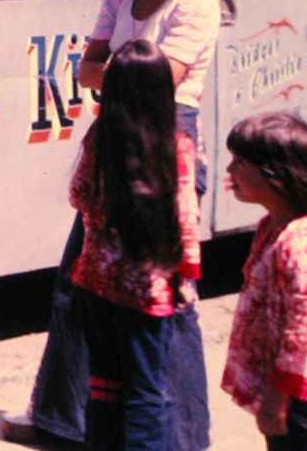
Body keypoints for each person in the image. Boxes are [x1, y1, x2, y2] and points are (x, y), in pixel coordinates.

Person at [6, 0, 220, 447]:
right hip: (114, 139)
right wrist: (123, 72)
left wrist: (115, 72)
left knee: (165, 298)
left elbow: (160, 83)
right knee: (81, 281)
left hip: (166, 145)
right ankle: (61, 418)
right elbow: (89, 70)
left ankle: (182, 431)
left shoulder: (196, 2)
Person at [70, 38, 202, 450]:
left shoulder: (99, 137)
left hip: (94, 282)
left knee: (104, 388)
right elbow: (185, 219)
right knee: (148, 392)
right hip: (148, 292)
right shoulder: (175, 146)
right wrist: (187, 276)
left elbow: (78, 194)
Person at [220, 112, 307, 449]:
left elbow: (303, 333)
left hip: (300, 398)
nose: (229, 172)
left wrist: (276, 401)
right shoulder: (271, 227)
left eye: (240, 162)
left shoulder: (300, 242)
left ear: (277, 175)